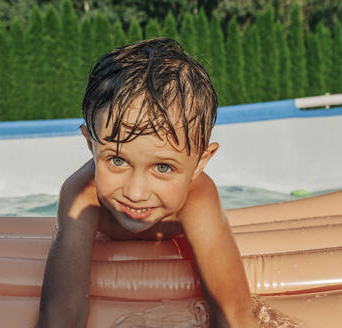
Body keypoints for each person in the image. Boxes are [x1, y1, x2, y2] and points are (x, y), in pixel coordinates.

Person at [37, 38, 258, 328]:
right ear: (90, 144)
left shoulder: (198, 196)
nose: (135, 192)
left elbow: (233, 310)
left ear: (200, 164)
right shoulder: (82, 195)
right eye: (117, 161)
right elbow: (62, 311)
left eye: (163, 167)